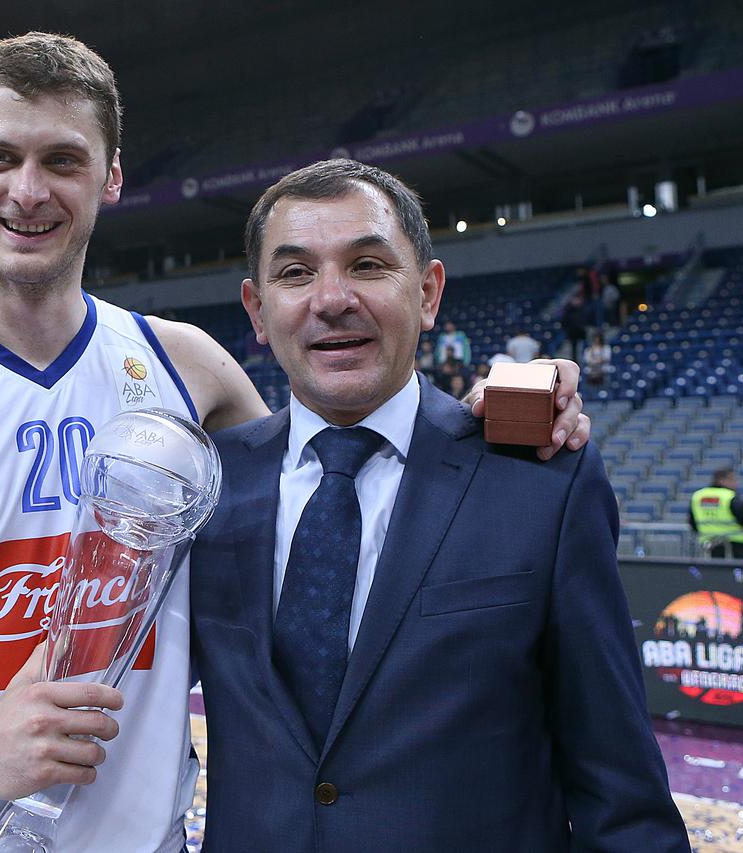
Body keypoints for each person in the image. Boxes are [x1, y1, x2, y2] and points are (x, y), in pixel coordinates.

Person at [0, 34, 591, 853]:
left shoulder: (191, 371)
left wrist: (497, 410)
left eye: (63, 160)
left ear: (111, 176)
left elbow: (345, 470)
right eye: (0, 157)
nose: (28, 190)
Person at [190, 159, 687, 851]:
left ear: (427, 293)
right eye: (295, 273)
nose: (331, 298)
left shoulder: (541, 477)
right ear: (257, 312)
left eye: (367, 265)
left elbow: (621, 791)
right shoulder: (205, 485)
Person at [690, 467, 743, 559]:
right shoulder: (729, 497)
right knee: (737, 568)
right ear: (721, 480)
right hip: (735, 547)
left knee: (713, 568)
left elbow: (692, 522)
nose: (736, 483)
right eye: (732, 480)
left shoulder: (697, 496)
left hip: (709, 546)